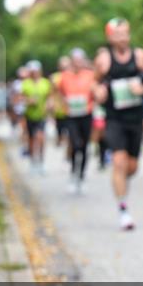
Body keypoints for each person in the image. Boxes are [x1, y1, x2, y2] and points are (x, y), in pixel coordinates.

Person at [93, 18, 143, 230]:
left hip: (135, 117)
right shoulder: (104, 60)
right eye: (118, 34)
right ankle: (123, 209)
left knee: (131, 167)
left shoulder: (140, 56)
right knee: (119, 162)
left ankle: (122, 181)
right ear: (110, 37)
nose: (122, 37)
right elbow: (94, 82)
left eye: (125, 33)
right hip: (114, 118)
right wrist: (99, 91)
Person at [55, 48, 96, 194]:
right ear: (72, 61)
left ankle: (81, 177)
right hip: (71, 114)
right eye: (75, 60)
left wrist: (95, 96)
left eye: (80, 60)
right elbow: (58, 92)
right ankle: (73, 173)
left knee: (85, 146)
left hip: (86, 113)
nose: (78, 63)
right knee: (75, 143)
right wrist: (63, 101)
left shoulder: (90, 75)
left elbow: (96, 91)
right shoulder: (64, 76)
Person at [21, 60, 52, 173]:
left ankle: (42, 162)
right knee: (31, 139)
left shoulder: (45, 83)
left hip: (41, 115)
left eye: (36, 71)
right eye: (32, 71)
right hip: (29, 115)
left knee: (41, 138)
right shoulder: (26, 83)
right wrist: (28, 101)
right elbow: (20, 98)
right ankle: (32, 162)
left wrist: (49, 105)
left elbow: (49, 97)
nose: (34, 73)